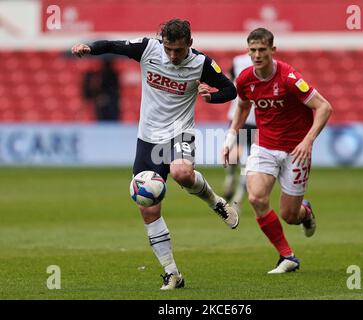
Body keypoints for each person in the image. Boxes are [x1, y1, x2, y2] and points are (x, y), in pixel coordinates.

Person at [72, 19, 239, 290]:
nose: (173, 56)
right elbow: (114, 45)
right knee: (148, 207)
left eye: (179, 50)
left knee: (182, 173)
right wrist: (88, 48)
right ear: (163, 42)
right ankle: (172, 273)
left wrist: (212, 96)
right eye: (169, 49)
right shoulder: (148, 48)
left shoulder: (201, 63)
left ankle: (215, 202)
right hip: (147, 138)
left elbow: (230, 89)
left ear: (190, 44)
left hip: (180, 133)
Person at [223, 28, 332, 274]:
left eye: (262, 50)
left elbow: (324, 107)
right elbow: (242, 106)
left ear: (273, 50)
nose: (257, 55)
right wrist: (230, 138)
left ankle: (306, 212)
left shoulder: (289, 78)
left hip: (296, 151)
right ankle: (287, 256)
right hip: (265, 147)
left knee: (290, 215)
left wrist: (308, 140)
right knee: (256, 198)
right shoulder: (245, 79)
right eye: (253, 50)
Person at [223, 53, 256, 215]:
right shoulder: (271, 65)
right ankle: (238, 197)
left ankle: (230, 177)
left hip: (238, 115)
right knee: (249, 161)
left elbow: (228, 80)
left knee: (235, 151)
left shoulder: (238, 61)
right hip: (256, 119)